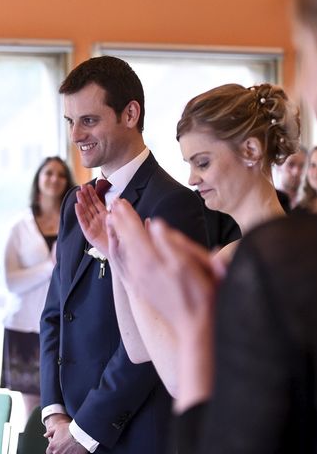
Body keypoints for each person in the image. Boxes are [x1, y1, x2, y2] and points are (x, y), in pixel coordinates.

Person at [105, 0, 317, 452]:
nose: (304, 87)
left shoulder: (285, 261)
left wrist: (193, 324)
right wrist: (124, 267)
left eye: (305, 59)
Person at [77, 82, 300, 396]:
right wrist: (118, 256)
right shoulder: (232, 254)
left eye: (203, 162)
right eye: (191, 165)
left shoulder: (278, 254)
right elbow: (141, 348)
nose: (193, 179)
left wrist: (138, 256)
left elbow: (181, 380)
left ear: (250, 150)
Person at [39, 55, 207, 454]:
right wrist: (54, 411)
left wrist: (87, 428)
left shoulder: (172, 204)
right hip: (68, 426)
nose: (76, 134)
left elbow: (159, 334)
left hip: (133, 430)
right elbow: (56, 312)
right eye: (70, 122)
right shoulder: (74, 202)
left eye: (89, 120)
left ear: (130, 113)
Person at [2, 156, 75, 419]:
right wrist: (48, 267)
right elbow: (11, 281)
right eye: (48, 173)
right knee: (33, 410)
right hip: (24, 325)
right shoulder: (19, 226)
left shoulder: (76, 219)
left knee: (65, 402)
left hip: (65, 324)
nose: (55, 179)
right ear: (38, 180)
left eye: (61, 174)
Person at [273, 145, 307, 209]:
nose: (296, 172)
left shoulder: (310, 204)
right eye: (291, 164)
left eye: (302, 166)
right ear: (278, 166)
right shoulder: (269, 200)